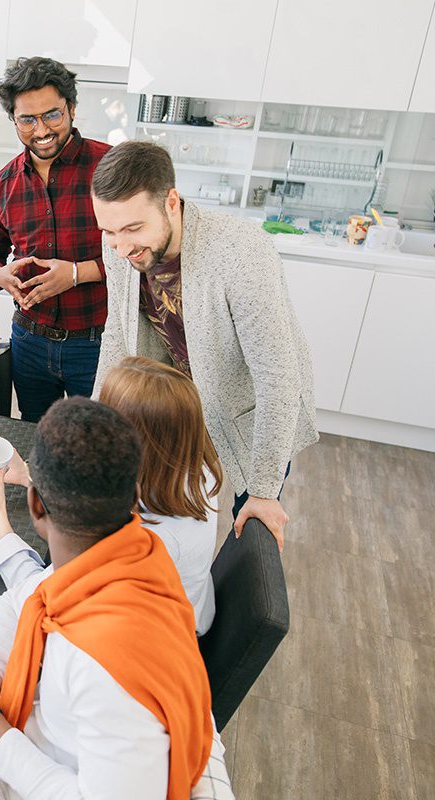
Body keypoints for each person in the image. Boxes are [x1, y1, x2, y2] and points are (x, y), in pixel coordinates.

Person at [0, 399, 233, 799]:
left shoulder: (103, 668)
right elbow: (19, 603)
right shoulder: (134, 555)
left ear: (35, 505)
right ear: (134, 493)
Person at [89, 140, 318, 551]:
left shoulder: (241, 253)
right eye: (108, 230)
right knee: (174, 513)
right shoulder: (120, 250)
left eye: (133, 229)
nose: (120, 246)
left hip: (251, 412)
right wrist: (94, 420)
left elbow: (278, 379)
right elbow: (118, 338)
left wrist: (264, 490)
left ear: (171, 203)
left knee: (249, 522)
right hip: (184, 404)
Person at [0, 356, 222, 635]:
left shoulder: (141, 542)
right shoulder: (192, 470)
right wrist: (28, 475)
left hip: (144, 639)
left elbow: (40, 599)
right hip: (187, 611)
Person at [0, 57, 110, 422]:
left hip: (97, 341)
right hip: (29, 341)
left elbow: (142, 254)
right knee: (37, 435)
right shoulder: (1, 185)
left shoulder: (110, 169)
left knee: (96, 442)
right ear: (14, 120)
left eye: (52, 115)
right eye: (27, 119)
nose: (42, 130)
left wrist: (78, 273)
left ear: (72, 109)